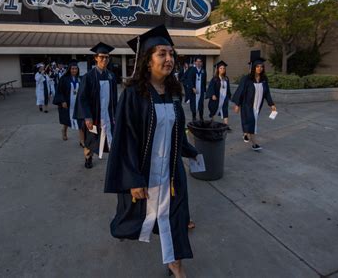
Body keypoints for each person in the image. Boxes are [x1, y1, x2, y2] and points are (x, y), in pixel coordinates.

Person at [105, 25, 198, 278]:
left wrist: (191, 151)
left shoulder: (174, 92)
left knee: (176, 218)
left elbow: (176, 130)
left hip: (172, 173)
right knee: (136, 217)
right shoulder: (134, 95)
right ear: (147, 61)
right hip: (144, 170)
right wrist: (133, 178)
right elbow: (125, 140)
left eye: (171, 54)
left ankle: (176, 265)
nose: (169, 59)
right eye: (161, 54)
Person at [74, 42, 118, 169]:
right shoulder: (88, 77)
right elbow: (82, 98)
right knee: (91, 138)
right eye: (102, 57)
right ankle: (88, 158)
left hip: (108, 115)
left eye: (107, 57)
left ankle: (111, 159)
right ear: (96, 58)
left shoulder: (111, 76)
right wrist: (87, 116)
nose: (104, 59)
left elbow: (114, 98)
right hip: (94, 116)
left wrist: (116, 114)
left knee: (110, 136)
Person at [232, 56, 276, 151]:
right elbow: (241, 91)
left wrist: (271, 104)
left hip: (258, 105)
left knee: (250, 122)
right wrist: (237, 104)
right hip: (247, 104)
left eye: (261, 66)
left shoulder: (264, 79)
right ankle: (254, 143)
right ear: (253, 67)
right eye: (257, 66)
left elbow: (267, 92)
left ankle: (246, 134)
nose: (259, 68)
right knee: (252, 122)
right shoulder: (247, 78)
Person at [53, 60, 84, 146]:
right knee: (67, 120)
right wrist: (62, 101)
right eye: (72, 69)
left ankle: (82, 140)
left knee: (80, 122)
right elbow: (59, 91)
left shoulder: (80, 79)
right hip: (68, 103)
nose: (74, 70)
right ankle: (64, 131)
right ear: (69, 69)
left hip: (78, 104)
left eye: (76, 69)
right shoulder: (64, 79)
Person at [206, 60, 232, 130]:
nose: (222, 70)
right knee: (214, 109)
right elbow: (211, 87)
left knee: (225, 110)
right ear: (218, 69)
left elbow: (228, 88)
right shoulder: (215, 79)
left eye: (223, 68)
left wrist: (229, 96)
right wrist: (212, 94)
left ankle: (226, 125)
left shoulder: (226, 78)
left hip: (224, 98)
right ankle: (212, 122)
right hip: (217, 97)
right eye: (221, 68)